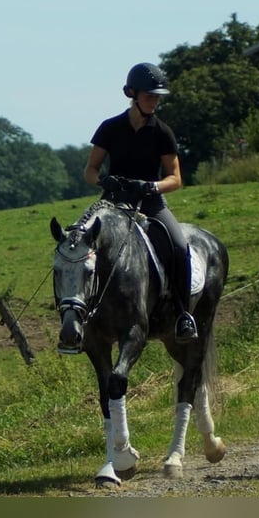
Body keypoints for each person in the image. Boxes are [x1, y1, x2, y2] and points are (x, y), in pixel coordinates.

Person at [78, 62, 198, 349]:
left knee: (179, 247)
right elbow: (90, 170)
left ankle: (183, 314)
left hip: (151, 203)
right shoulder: (110, 128)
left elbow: (176, 178)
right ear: (132, 94)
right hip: (113, 203)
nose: (154, 101)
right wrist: (103, 182)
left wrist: (151, 186)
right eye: (149, 96)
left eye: (158, 97)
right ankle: (77, 316)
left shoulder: (163, 132)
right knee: (77, 244)